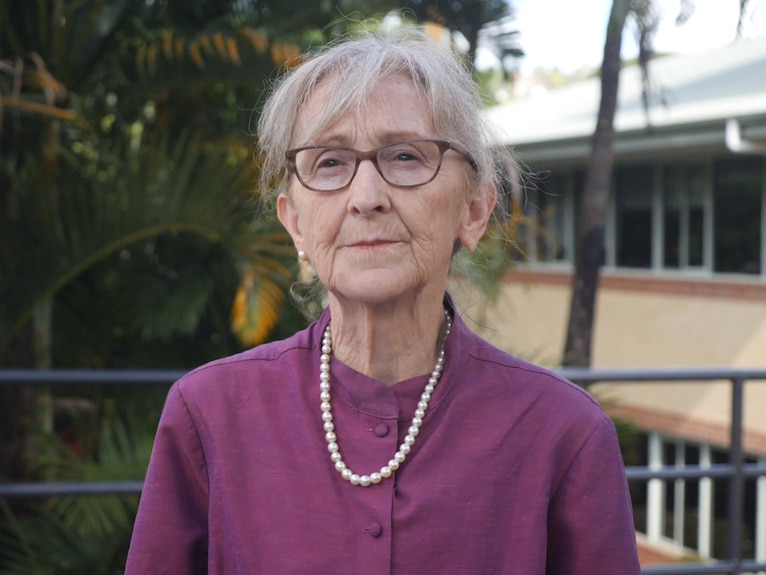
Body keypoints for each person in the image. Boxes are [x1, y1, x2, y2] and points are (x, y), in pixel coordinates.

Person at [125, 27, 640, 574]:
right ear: (295, 222)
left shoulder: (563, 433)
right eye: (329, 163)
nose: (366, 199)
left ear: (474, 210)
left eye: (405, 157)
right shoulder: (210, 412)